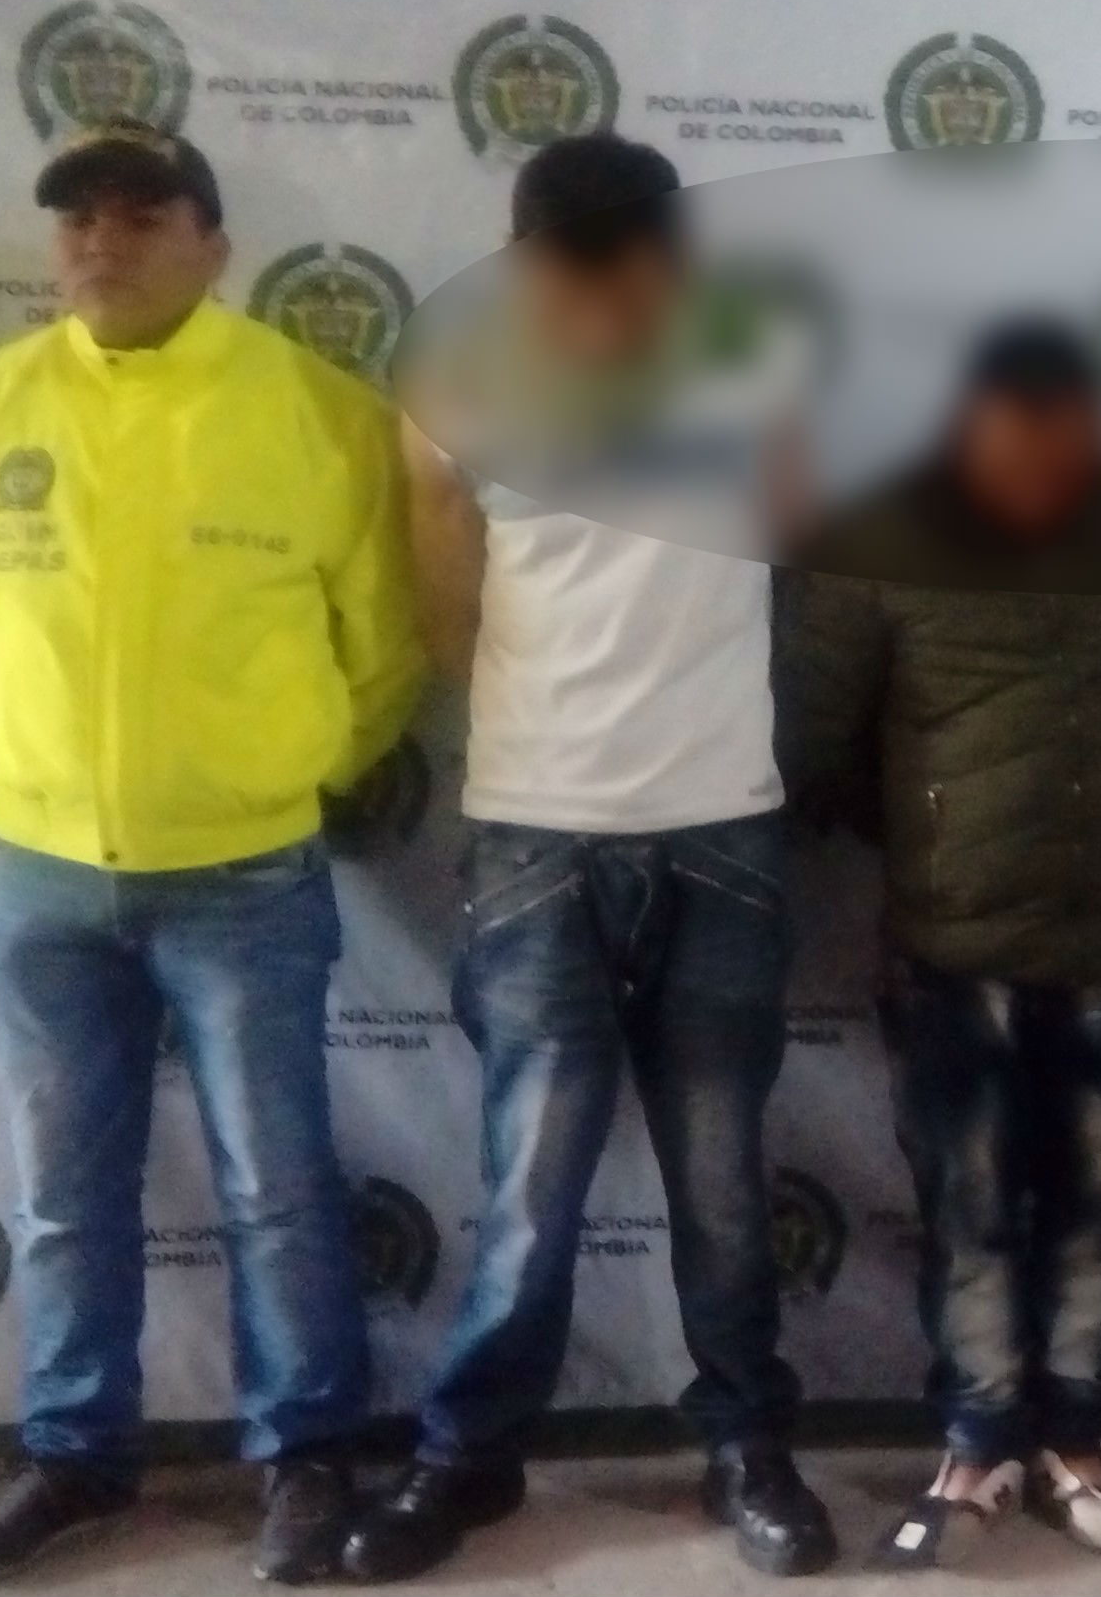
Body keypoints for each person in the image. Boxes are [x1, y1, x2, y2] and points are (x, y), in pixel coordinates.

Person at [0, 121, 424, 1584]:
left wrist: (278, 770)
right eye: (78, 218)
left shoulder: (315, 411)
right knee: (63, 1194)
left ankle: (305, 1453)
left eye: (144, 216)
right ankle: (74, 1452)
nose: (103, 241)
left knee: (276, 1183)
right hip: (40, 875)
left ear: (214, 246)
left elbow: (383, 641)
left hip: (244, 875)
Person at [337, 133, 835, 1582]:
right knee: (531, 1188)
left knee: (723, 1180)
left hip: (722, 829)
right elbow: (449, 617)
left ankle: (748, 1445)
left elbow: (804, 560)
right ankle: (469, 1457)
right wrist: (557, 736)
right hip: (539, 833)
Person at [775, 323, 1101, 1567]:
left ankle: (1076, 1443)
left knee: (1098, 1212)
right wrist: (935, 838)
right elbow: (814, 739)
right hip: (954, 948)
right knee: (970, 1215)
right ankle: (976, 1444)